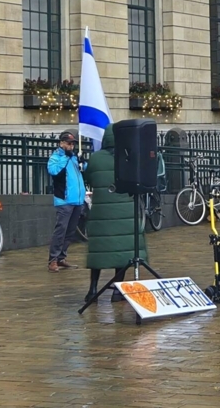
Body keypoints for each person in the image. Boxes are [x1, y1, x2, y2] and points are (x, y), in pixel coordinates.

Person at [81, 124, 148, 303]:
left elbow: (89, 179)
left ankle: (92, 290)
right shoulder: (128, 157)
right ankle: (117, 291)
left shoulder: (95, 158)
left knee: (99, 253)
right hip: (125, 211)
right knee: (122, 252)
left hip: (101, 213)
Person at [47, 131, 87, 273]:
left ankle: (61, 257)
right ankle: (53, 259)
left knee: (70, 232)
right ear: (62, 143)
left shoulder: (74, 157)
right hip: (64, 200)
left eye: (73, 144)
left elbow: (83, 171)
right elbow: (53, 171)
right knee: (61, 231)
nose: (71, 146)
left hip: (77, 200)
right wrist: (66, 157)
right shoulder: (56, 157)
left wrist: (83, 162)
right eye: (69, 143)